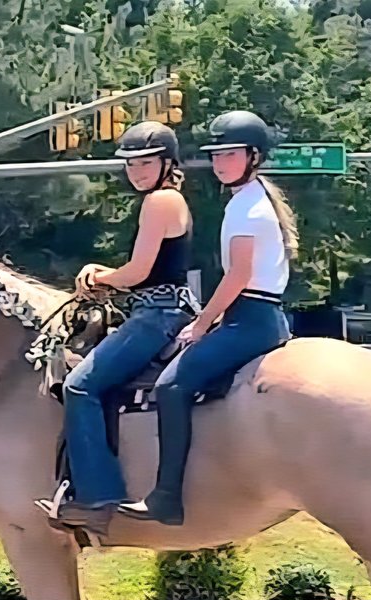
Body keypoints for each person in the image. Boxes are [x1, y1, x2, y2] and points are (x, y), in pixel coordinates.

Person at [119, 110, 299, 526]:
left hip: (250, 318)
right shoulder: (251, 200)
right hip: (259, 314)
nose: (220, 163)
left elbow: (238, 274)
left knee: (171, 385)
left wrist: (202, 324)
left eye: (230, 155)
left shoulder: (246, 208)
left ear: (254, 156)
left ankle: (166, 497)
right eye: (216, 156)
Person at [49, 121, 198, 535]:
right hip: (163, 309)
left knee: (80, 385)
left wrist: (97, 277)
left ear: (167, 163)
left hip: (157, 314)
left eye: (146, 162)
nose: (136, 170)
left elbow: (138, 271)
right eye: (131, 163)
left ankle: (97, 497)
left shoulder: (159, 202)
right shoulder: (173, 200)